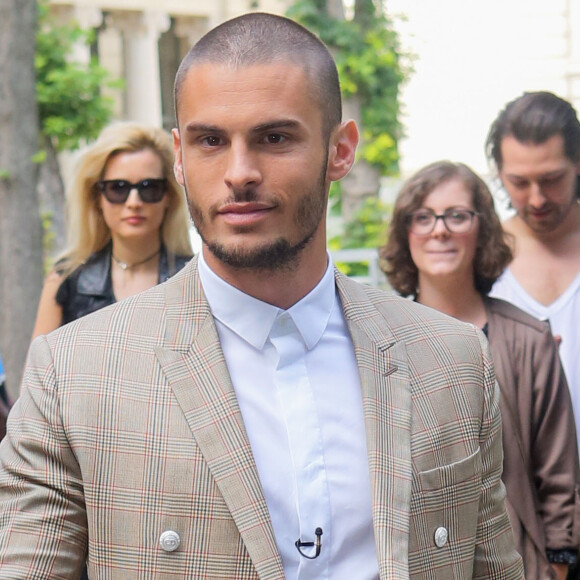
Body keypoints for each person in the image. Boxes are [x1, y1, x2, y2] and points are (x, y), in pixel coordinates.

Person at [0, 13, 524, 579]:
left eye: (274, 138)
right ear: (179, 156)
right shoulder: (74, 373)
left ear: (340, 150)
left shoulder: (451, 361)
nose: (240, 172)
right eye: (210, 141)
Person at [380, 160, 580, 580]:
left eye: (457, 215)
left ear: (482, 229)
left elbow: (559, 473)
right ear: (406, 232)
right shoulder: (378, 342)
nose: (440, 230)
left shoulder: (529, 339)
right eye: (424, 217)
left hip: (522, 563)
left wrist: (559, 564)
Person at [31, 122, 193, 338]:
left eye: (148, 187)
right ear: (97, 197)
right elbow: (37, 371)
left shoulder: (195, 280)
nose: (133, 202)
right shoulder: (65, 280)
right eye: (118, 188)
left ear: (169, 197)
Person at [486, 92, 580, 451]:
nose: (537, 198)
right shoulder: (482, 255)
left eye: (552, 179)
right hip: (522, 493)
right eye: (520, 183)